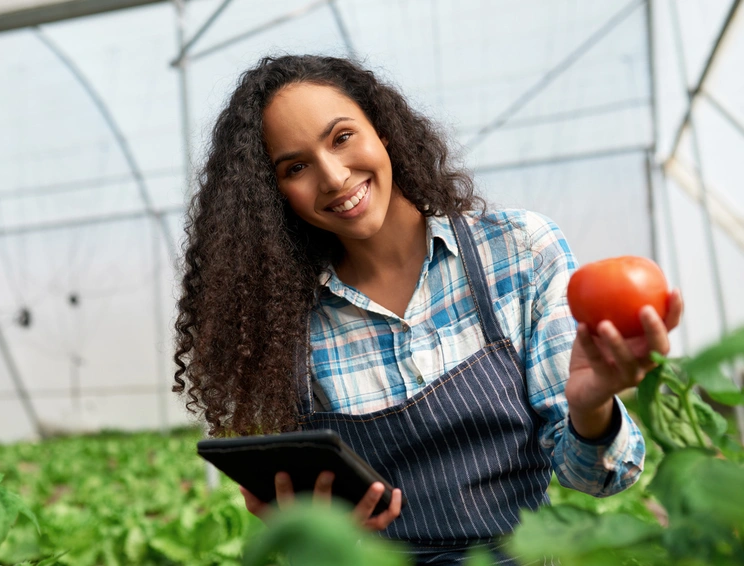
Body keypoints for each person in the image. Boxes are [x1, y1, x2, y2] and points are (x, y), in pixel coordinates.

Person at [172, 54, 682, 565]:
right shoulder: (286, 324)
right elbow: (317, 533)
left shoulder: (518, 252)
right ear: (274, 193)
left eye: (342, 137)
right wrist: (316, 530)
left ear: (383, 129)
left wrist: (590, 409)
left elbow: (597, 477)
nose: (332, 176)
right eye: (296, 167)